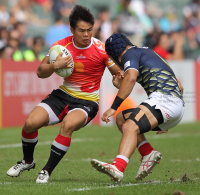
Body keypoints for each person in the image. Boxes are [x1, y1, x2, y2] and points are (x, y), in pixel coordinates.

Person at [6, 5, 120, 184]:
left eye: (89, 30)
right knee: (30, 123)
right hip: (63, 94)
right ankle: (27, 162)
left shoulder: (101, 49)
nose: (86, 34)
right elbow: (40, 72)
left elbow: (118, 75)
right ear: (72, 29)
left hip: (87, 101)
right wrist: (54, 66)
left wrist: (117, 80)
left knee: (67, 125)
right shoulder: (60, 46)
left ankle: (46, 170)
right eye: (81, 30)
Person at [91, 33, 184, 182]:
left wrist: (113, 106)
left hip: (165, 101)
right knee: (122, 118)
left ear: (115, 55)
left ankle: (118, 167)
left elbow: (132, 78)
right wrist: (166, 117)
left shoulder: (129, 54)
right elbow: (180, 86)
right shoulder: (147, 51)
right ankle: (148, 153)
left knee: (130, 126)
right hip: (173, 104)